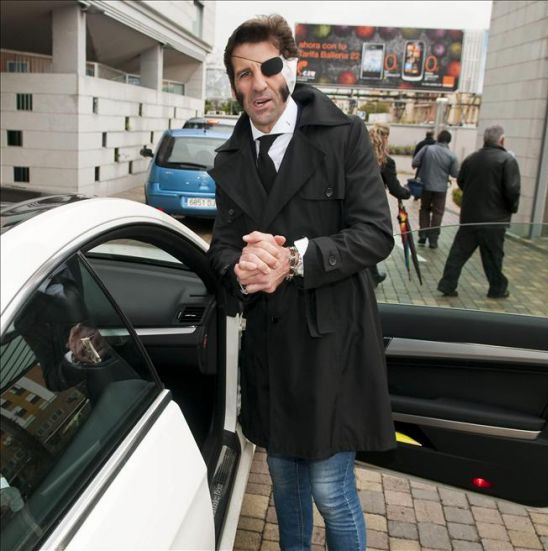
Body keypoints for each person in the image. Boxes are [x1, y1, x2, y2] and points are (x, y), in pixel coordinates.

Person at [207, 15, 396, 551]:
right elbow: (221, 247)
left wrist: (293, 260)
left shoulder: (344, 137)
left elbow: (375, 234)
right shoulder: (229, 159)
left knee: (331, 491)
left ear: (290, 66)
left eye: (268, 67)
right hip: (270, 349)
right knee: (284, 485)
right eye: (243, 74)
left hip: (332, 345)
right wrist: (240, 268)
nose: (258, 84)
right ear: (234, 85)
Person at [437, 125, 521, 299]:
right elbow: (512, 190)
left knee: (458, 253)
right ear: (502, 140)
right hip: (494, 219)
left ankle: (447, 284)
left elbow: (461, 181)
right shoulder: (507, 160)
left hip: (470, 216)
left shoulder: (471, 159)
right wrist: (511, 208)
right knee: (493, 256)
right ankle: (497, 289)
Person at [367, 123, 411, 285]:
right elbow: (395, 189)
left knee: (361, 239)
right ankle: (372, 276)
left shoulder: (359, 155)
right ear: (384, 138)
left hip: (353, 204)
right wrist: (407, 192)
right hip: (373, 207)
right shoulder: (386, 162)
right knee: (371, 240)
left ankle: (372, 274)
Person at [412, 129, 460, 248]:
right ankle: (433, 240)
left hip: (425, 186)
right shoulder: (452, 156)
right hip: (441, 189)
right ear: (449, 141)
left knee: (424, 209)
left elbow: (415, 162)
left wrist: (425, 166)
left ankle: (423, 235)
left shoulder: (427, 149)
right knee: (438, 213)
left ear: (438, 138)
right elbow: (455, 174)